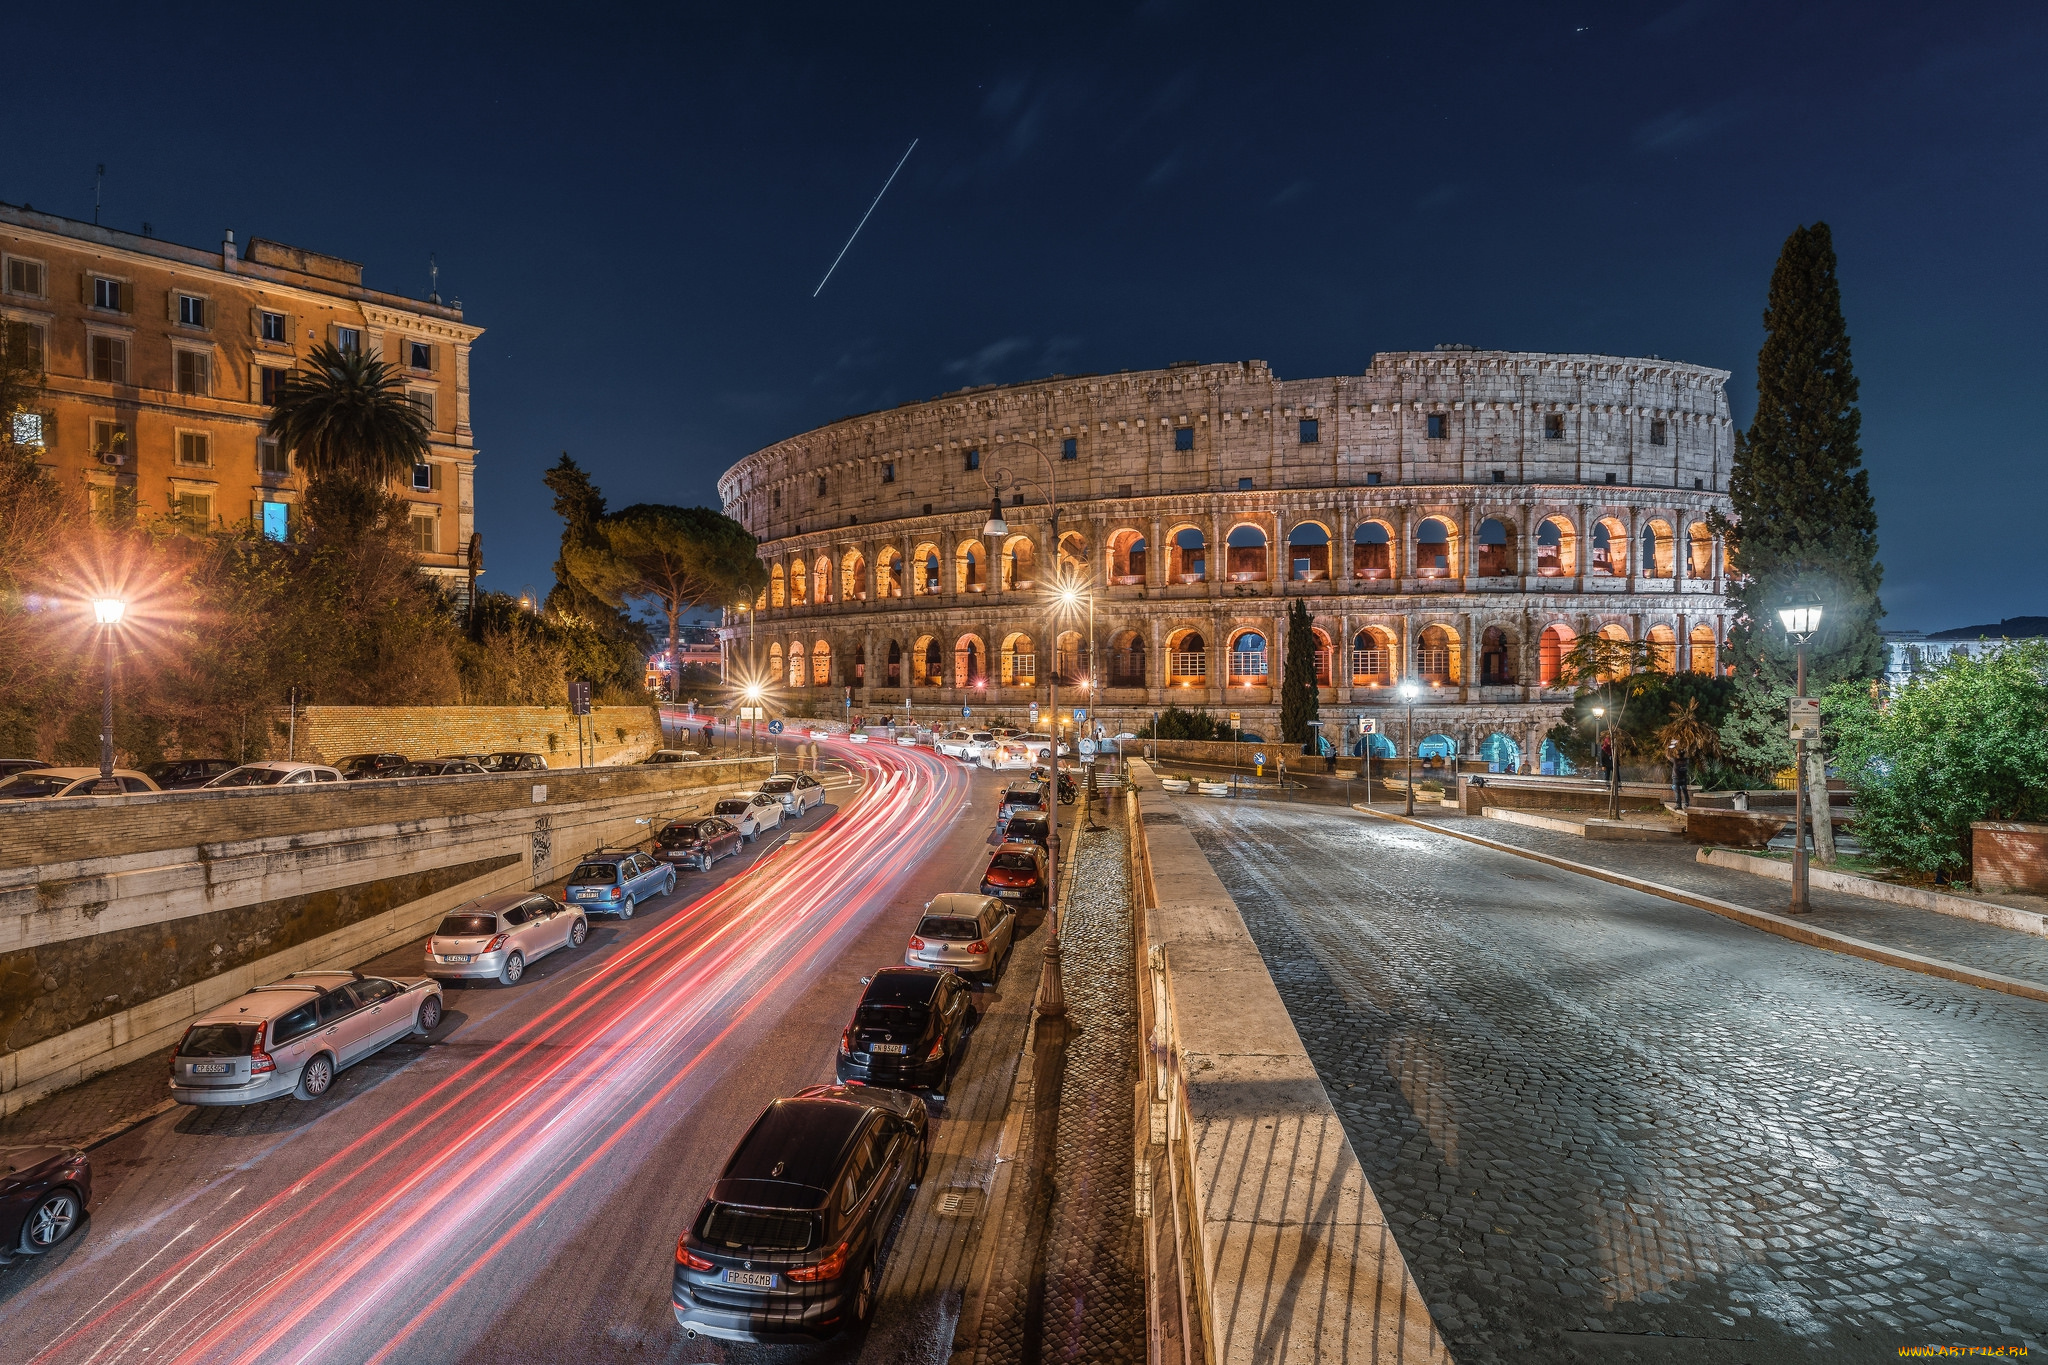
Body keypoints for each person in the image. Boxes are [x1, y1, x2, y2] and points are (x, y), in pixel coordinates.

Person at [1669, 744, 1691, 810]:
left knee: (1677, 792)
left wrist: (1670, 747)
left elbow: (1668, 756)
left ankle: (1679, 805)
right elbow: (1687, 754)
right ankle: (1687, 803)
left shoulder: (1675, 760)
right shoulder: (1686, 760)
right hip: (1684, 778)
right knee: (1685, 791)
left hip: (1676, 778)